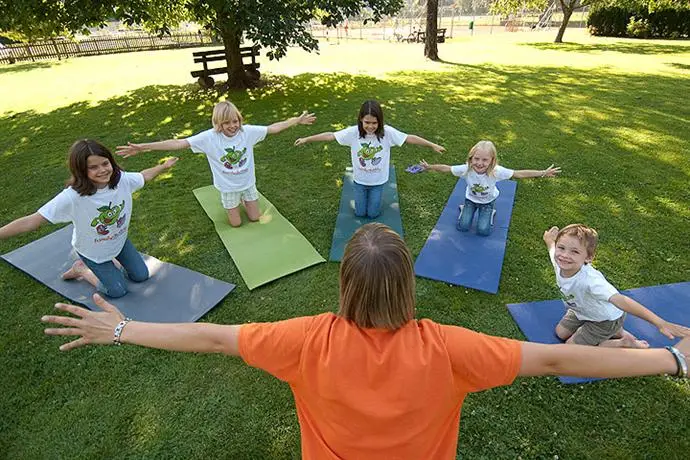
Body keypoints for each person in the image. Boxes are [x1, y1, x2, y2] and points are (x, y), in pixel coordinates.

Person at [42, 223, 688, 459]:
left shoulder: (301, 340)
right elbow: (553, 358)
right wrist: (672, 357)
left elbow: (212, 339)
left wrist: (121, 327)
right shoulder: (450, 347)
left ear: (346, 284)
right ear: (406, 283)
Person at [0, 139, 178, 298]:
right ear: (80, 170)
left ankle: (112, 262)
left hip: (119, 241)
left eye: (105, 163)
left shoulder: (121, 180)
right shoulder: (72, 197)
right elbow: (33, 221)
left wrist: (164, 166)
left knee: (141, 276)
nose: (102, 170)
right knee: (117, 291)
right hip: (93, 252)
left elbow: (144, 176)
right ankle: (81, 269)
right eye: (93, 167)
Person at [116, 101, 316, 227]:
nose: (233, 126)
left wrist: (296, 121)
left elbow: (273, 128)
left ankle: (246, 201)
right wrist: (143, 147)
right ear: (218, 124)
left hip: (248, 183)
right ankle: (231, 203)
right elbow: (179, 143)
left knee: (255, 218)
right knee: (236, 224)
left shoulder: (247, 132)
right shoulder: (209, 138)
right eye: (227, 123)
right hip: (227, 187)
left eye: (235, 121)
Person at [543, 224, 690, 348]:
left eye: (574, 251)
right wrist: (549, 240)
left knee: (570, 347)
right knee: (560, 332)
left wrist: (660, 323)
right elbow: (552, 249)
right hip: (582, 310)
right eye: (561, 248)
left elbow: (621, 300)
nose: (564, 255)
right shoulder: (560, 261)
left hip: (604, 320)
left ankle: (623, 342)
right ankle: (618, 331)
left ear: (588, 257)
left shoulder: (591, 281)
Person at [294, 99, 445, 218]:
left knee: (372, 213)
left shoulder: (387, 133)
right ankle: (368, 200)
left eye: (374, 123)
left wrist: (431, 145)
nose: (371, 126)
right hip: (360, 180)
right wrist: (307, 139)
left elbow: (409, 138)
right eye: (367, 122)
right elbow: (330, 135)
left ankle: (375, 200)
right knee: (359, 213)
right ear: (361, 120)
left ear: (380, 121)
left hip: (378, 181)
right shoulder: (353, 133)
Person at [420, 140, 560, 236]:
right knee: (462, 227)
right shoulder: (466, 169)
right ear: (471, 158)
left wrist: (542, 173)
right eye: (476, 159)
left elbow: (519, 173)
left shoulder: (496, 172)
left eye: (485, 160)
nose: (480, 163)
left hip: (487, 203)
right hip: (470, 200)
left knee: (483, 231)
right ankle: (464, 209)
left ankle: (490, 213)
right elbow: (447, 168)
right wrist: (429, 167)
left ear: (492, 161)